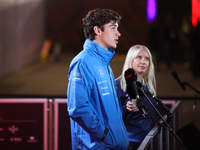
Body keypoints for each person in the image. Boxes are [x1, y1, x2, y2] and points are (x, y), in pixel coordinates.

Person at [67, 8, 129, 150]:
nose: (118, 33)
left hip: (112, 145)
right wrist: (105, 135)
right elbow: (78, 108)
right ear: (98, 30)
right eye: (113, 28)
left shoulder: (103, 63)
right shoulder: (82, 62)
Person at [116, 44, 157, 150]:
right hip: (130, 143)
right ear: (130, 59)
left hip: (150, 139)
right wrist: (126, 109)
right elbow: (109, 116)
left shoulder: (147, 85)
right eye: (139, 57)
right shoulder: (118, 86)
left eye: (146, 58)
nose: (143, 61)